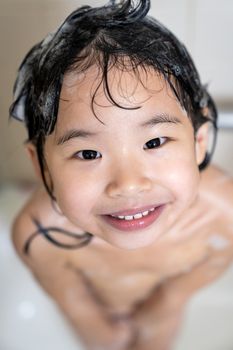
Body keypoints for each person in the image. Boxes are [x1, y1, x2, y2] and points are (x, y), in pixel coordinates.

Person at [9, 0, 233, 349]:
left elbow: (218, 258)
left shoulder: (223, 214)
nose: (128, 183)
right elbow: (72, 301)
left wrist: (173, 298)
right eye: (88, 153)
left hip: (165, 298)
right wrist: (95, 325)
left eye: (155, 141)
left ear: (199, 141)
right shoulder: (38, 235)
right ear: (41, 165)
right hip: (93, 304)